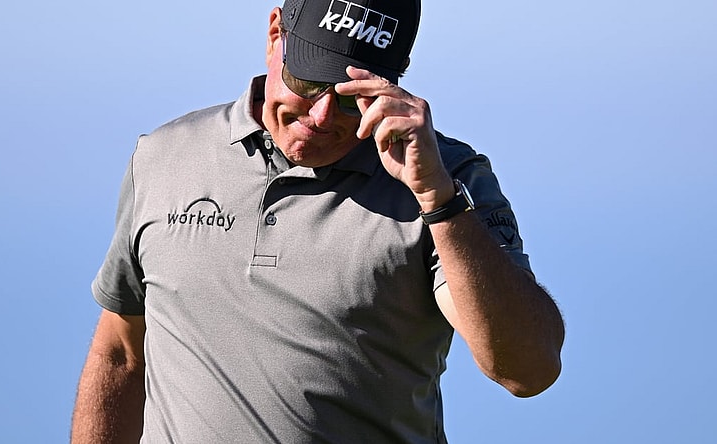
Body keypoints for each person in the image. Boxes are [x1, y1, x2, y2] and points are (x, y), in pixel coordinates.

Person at [71, 0, 565, 442]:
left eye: (353, 96)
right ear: (274, 35)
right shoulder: (164, 157)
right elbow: (121, 353)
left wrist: (437, 198)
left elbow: (527, 370)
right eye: (307, 82)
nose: (323, 114)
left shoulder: (449, 180)